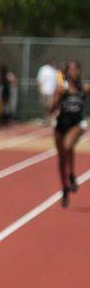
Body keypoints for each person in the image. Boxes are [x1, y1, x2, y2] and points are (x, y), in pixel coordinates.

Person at [49, 60, 88, 208]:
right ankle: (65, 188)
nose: (74, 71)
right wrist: (57, 99)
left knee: (68, 145)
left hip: (77, 125)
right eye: (71, 69)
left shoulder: (84, 89)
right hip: (61, 125)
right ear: (66, 72)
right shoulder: (61, 89)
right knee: (61, 160)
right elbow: (50, 110)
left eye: (76, 69)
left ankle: (71, 174)